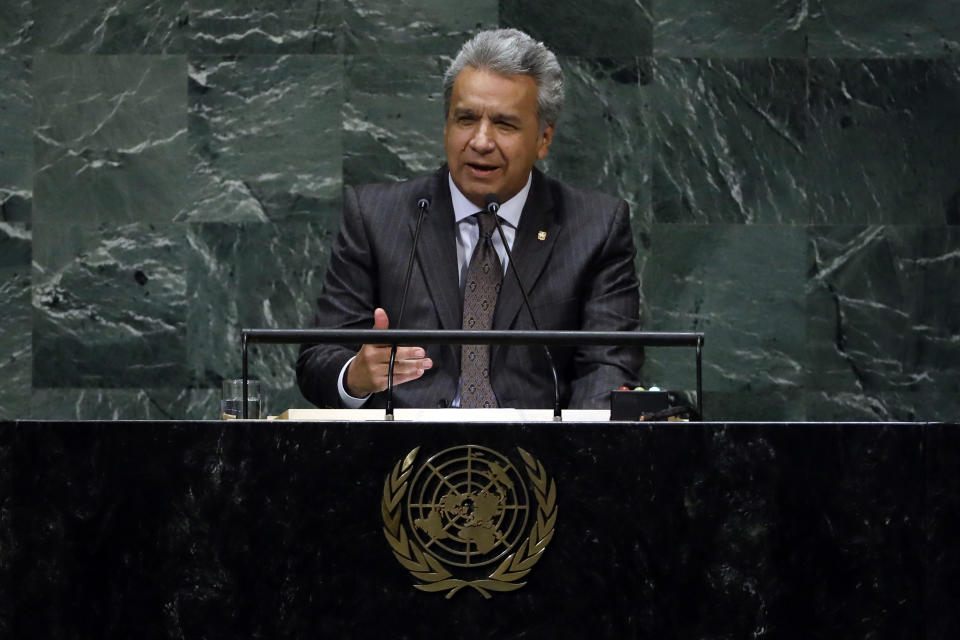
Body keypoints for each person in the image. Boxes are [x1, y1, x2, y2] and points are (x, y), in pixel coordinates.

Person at [296, 28, 642, 410]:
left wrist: (573, 451)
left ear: (544, 139)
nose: (480, 141)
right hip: (402, 461)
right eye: (465, 119)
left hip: (540, 459)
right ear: (446, 125)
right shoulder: (376, 217)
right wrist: (356, 376)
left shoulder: (594, 227)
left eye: (504, 124)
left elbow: (607, 368)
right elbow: (318, 360)